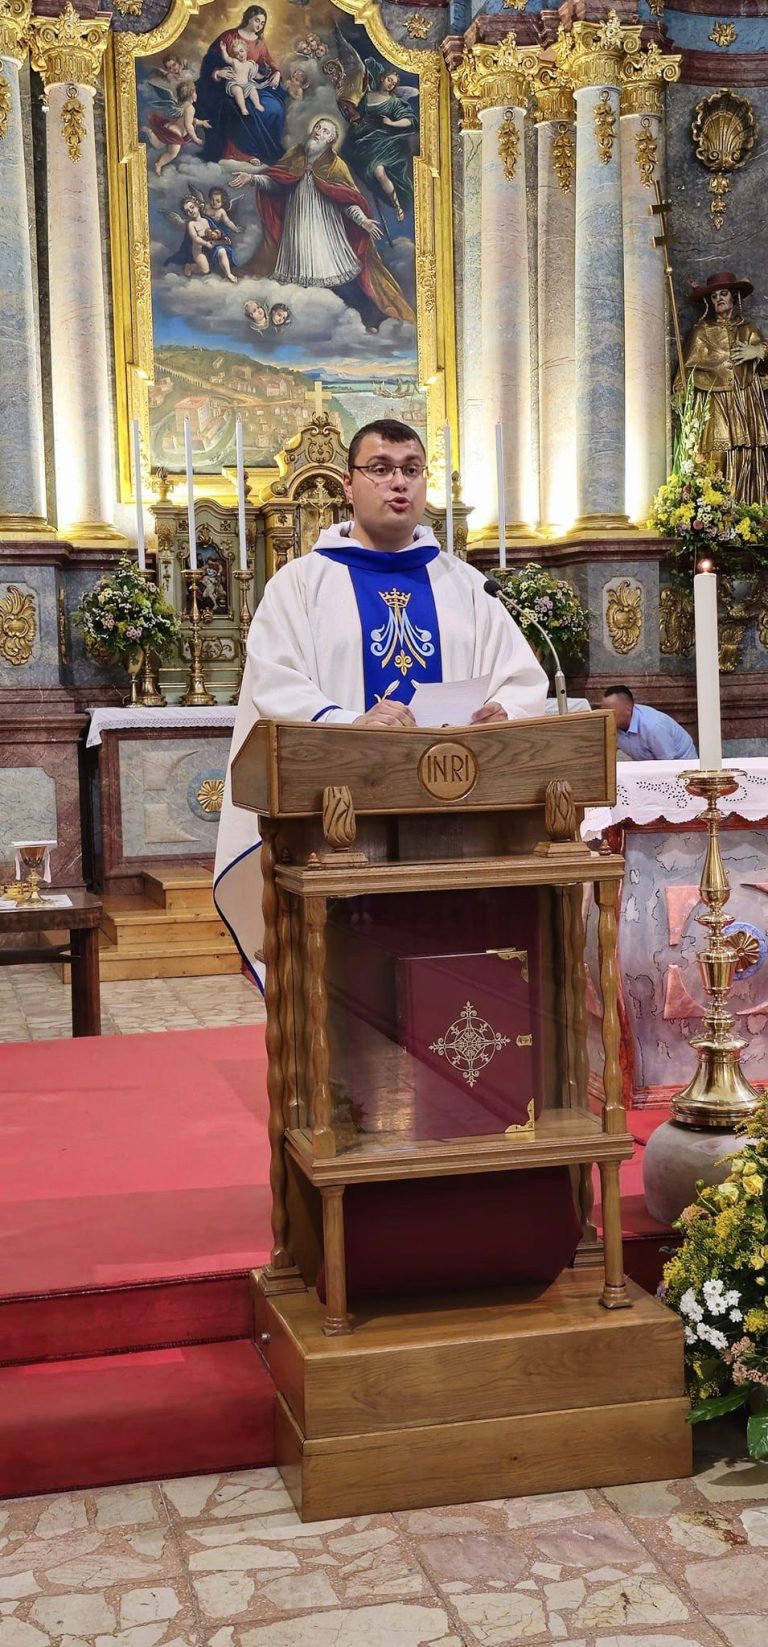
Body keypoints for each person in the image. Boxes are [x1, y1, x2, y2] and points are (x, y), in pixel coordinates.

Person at [214, 418, 547, 977]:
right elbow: (275, 682)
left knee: (449, 972)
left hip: (457, 826)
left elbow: (522, 678)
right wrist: (349, 722)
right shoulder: (300, 584)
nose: (399, 483)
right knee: (346, 976)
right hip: (335, 828)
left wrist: (504, 711)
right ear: (348, 484)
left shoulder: (467, 585)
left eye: (412, 470)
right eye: (381, 469)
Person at [231, 118, 414, 332]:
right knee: (300, 281)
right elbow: (277, 184)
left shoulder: (336, 166)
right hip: (296, 231)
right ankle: (305, 329)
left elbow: (347, 201)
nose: (318, 132)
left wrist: (362, 220)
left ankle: (372, 318)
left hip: (325, 233)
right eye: (317, 127)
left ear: (331, 140)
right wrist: (252, 178)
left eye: (325, 131)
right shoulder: (295, 155)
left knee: (338, 278)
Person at [678, 271, 768, 504]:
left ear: (734, 296)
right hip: (714, 401)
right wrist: (680, 395)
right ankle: (716, 506)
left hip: (745, 399)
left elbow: (764, 357)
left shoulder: (747, 329)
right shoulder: (701, 332)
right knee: (717, 452)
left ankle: (748, 507)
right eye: (714, 296)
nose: (718, 299)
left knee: (745, 452)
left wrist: (759, 351)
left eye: (724, 293)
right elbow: (685, 372)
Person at [602, 685, 696, 761]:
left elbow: (669, 763)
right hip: (649, 767)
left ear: (628, 710)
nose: (606, 715)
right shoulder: (610, 724)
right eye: (603, 710)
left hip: (682, 768)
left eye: (611, 711)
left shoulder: (653, 726)